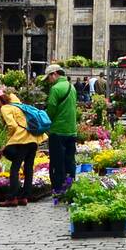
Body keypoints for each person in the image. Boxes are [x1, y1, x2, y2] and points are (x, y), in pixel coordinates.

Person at [0, 87, 44, 208]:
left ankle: (12, 198)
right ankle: (24, 197)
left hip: (22, 140)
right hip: (34, 138)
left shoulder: (5, 108)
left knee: (14, 168)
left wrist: (9, 141)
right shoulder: (17, 104)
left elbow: (12, 126)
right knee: (28, 168)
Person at [42, 63, 79, 196]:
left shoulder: (55, 89)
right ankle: (70, 185)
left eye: (49, 78)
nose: (48, 81)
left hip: (58, 131)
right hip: (71, 130)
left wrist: (43, 122)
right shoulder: (72, 87)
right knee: (70, 160)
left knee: (57, 162)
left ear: (55, 74)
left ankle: (58, 190)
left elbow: (51, 109)